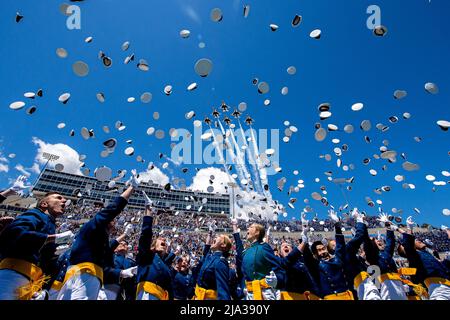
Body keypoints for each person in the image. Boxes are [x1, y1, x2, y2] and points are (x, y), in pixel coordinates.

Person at [57, 171, 139, 300]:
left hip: (81, 275)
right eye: (113, 219)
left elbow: (109, 247)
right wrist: (131, 188)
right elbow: (112, 210)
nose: (114, 221)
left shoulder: (97, 237)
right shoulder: (93, 226)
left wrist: (124, 235)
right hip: (86, 275)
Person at [0, 191, 73, 300]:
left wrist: (54, 254)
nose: (64, 201)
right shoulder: (36, 214)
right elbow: (15, 233)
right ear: (44, 204)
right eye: (59, 198)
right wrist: (51, 238)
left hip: (29, 281)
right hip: (12, 275)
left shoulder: (50, 223)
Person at [302, 209, 354, 300]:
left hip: (347, 296)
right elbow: (307, 257)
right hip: (330, 297)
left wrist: (337, 225)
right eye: (319, 250)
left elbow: (340, 246)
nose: (323, 252)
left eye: (323, 248)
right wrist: (304, 236)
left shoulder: (337, 259)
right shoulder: (316, 265)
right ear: (315, 254)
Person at [399, 217, 450, 300]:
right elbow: (409, 246)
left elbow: (444, 267)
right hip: (439, 291)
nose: (418, 240)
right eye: (415, 240)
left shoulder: (426, 254)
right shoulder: (415, 258)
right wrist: (409, 229)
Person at [135, 191, 174, 300]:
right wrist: (148, 209)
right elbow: (146, 235)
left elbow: (170, 289)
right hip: (146, 294)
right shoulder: (147, 256)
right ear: (152, 246)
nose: (164, 241)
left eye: (165, 242)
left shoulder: (166, 266)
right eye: (160, 240)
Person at [234, 221, 286, 300]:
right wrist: (234, 226)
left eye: (251, 227)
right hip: (249, 293)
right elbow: (239, 248)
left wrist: (277, 279)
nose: (248, 228)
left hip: (266, 292)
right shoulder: (246, 251)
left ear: (257, 232)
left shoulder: (264, 247)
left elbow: (278, 267)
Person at [364, 212, 408, 300]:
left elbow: (390, 241)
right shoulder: (373, 256)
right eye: (375, 240)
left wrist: (387, 225)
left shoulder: (386, 253)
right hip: (385, 287)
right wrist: (362, 223)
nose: (379, 240)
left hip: (399, 285)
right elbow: (368, 245)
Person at [99, 223, 137, 300]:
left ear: (128, 249)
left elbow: (132, 282)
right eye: (120, 243)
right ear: (115, 248)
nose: (123, 244)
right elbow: (109, 246)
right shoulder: (110, 256)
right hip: (105, 288)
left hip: (120, 292)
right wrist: (124, 234)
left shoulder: (130, 262)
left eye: (125, 244)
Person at [194, 227, 232, 300]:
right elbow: (206, 249)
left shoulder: (221, 262)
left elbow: (223, 289)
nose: (216, 237)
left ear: (223, 245)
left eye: (219, 237)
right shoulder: (209, 257)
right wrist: (210, 233)